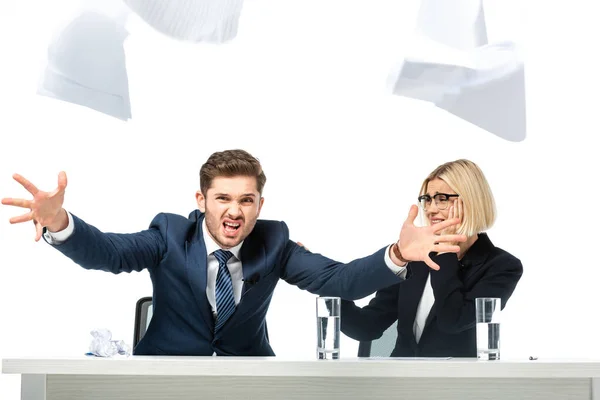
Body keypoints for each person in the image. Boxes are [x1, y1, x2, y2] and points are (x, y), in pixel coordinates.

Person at [2, 149, 466, 356]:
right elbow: (107, 253)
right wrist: (59, 223)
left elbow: (337, 280)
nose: (234, 211)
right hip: (164, 381)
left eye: (246, 200)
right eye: (222, 198)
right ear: (201, 201)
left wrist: (398, 255)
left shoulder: (275, 241)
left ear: (260, 205)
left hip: (250, 382)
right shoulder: (168, 234)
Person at [340, 159, 523, 357]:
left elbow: (453, 321)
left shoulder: (501, 266)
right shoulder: (415, 259)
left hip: (455, 383)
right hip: (401, 380)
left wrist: (445, 251)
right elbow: (366, 327)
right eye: (427, 199)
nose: (430, 209)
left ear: (472, 202)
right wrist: (325, 282)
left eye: (442, 199)